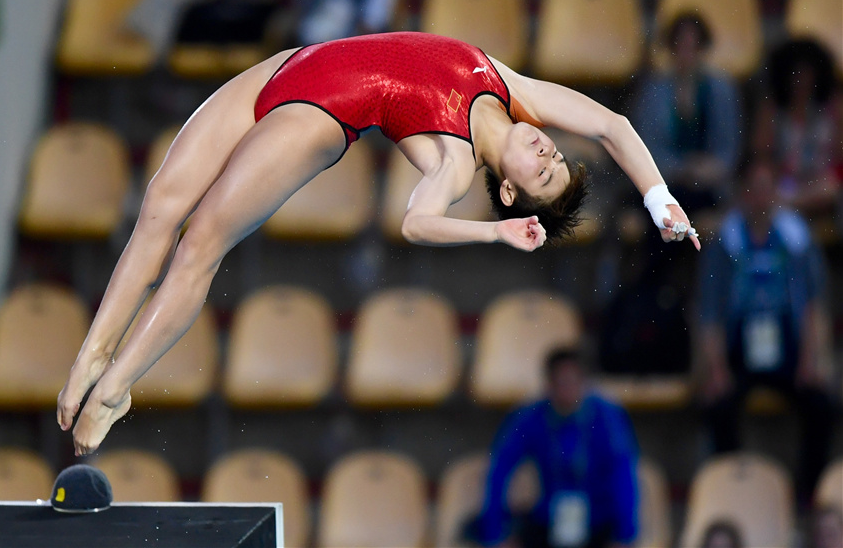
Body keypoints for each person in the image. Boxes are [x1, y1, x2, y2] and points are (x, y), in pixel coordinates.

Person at [56, 31, 700, 456]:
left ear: (509, 192)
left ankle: (115, 386)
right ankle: (93, 352)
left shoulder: (451, 158)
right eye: (558, 156)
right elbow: (613, 126)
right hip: (289, 66)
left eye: (545, 173)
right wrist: (659, 198)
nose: (549, 151)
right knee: (158, 206)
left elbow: (415, 224)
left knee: (199, 243)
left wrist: (493, 233)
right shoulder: (510, 86)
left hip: (318, 117)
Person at [696, 157, 835, 503]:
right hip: (739, 346)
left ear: (776, 193)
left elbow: (813, 305)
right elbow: (710, 312)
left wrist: (810, 359)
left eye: (766, 188)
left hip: (786, 344)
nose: (760, 197)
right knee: (718, 404)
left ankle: (809, 496)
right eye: (753, 189)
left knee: (822, 405)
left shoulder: (796, 239)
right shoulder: (724, 243)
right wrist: (716, 370)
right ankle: (730, 493)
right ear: (743, 193)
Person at [466, 348, 640, 548]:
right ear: (548, 383)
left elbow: (624, 473)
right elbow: (500, 467)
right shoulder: (531, 416)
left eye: (573, 381)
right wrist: (494, 532)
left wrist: (625, 534)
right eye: (560, 383)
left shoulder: (607, 417)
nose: (567, 389)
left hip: (599, 520)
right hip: (550, 519)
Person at [632, 13, 742, 214]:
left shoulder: (721, 90)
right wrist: (682, 169)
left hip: (710, 184)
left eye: (693, 46)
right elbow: (647, 147)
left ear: (703, 49)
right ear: (671, 49)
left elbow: (728, 149)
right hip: (667, 184)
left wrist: (709, 171)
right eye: (680, 46)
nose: (687, 54)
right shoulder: (653, 92)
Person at [750, 39, 842, 219]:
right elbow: (762, 155)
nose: (802, 80)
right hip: (784, 183)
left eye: (807, 74)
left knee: (830, 187)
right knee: (761, 180)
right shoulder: (772, 109)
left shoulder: (834, 107)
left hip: (823, 184)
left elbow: (840, 159)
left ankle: (791, 204)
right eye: (796, 74)